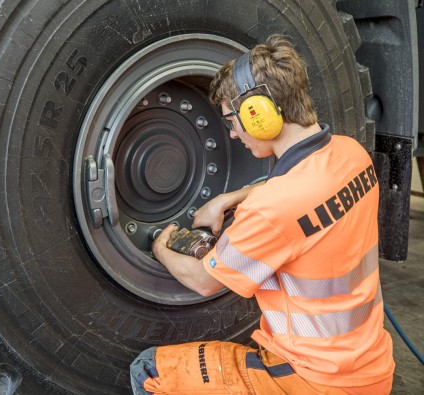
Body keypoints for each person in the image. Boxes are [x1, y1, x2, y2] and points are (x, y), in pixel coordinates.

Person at [130, 34, 394, 395]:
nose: (234, 134)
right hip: (372, 370)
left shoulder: (271, 209)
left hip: (311, 381)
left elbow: (204, 280)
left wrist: (162, 246)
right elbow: (300, 191)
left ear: (259, 114)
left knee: (148, 368)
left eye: (232, 121)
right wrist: (229, 198)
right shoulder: (353, 156)